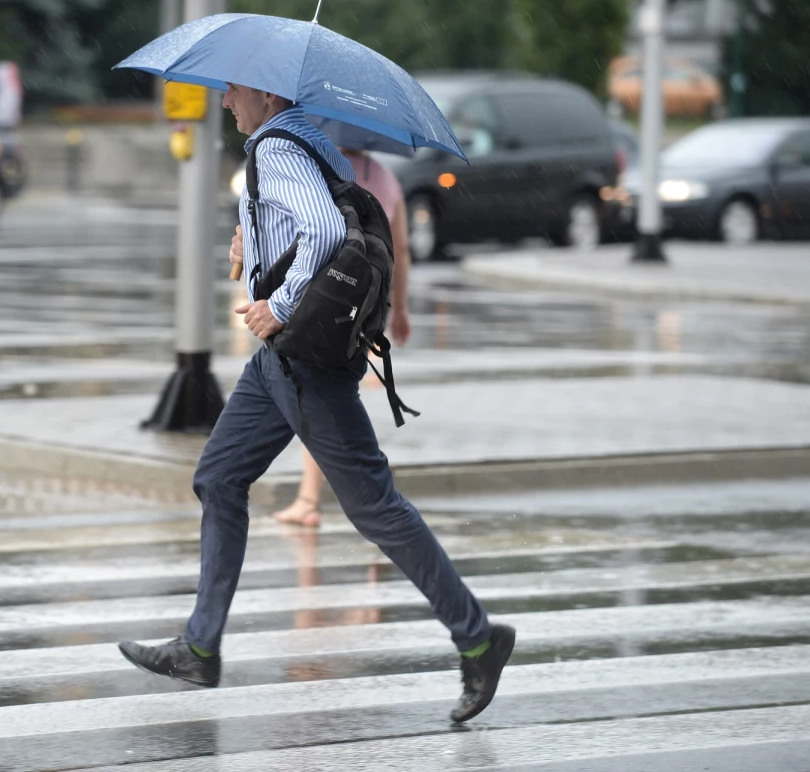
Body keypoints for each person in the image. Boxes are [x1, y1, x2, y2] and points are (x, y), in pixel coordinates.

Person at [117, 81, 515, 724]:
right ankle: (199, 645)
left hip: (301, 358)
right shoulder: (311, 143)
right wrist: (252, 244)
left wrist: (282, 300)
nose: (224, 101)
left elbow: (327, 229)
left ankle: (477, 637)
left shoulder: (277, 148)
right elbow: (309, 222)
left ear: (267, 95)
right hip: (279, 363)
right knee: (219, 476)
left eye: (234, 91)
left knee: (376, 507)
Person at [272, 147, 411, 528]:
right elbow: (400, 249)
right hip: (366, 302)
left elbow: (307, 236)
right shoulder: (383, 176)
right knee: (329, 397)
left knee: (316, 398)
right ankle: (363, 484)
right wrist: (398, 308)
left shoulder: (319, 170)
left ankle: (320, 498)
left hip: (327, 301)